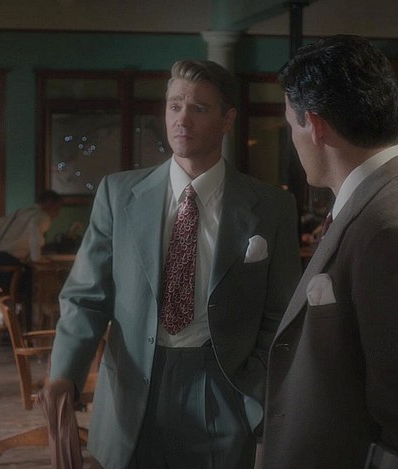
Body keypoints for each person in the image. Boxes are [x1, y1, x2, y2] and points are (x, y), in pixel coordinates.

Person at [42, 59, 301, 468]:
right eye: (174, 105)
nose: (182, 118)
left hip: (224, 387)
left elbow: (282, 313)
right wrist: (64, 372)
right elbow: (86, 296)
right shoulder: (118, 194)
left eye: (199, 108)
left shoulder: (272, 207)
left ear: (227, 120)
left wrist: (255, 382)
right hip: (134, 386)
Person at [264, 34, 398, 468]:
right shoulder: (385, 200)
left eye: (290, 126)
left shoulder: (397, 229)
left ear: (314, 125)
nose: (292, 140)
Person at [0, 189, 63, 324]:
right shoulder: (42, 217)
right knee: (34, 283)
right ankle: (26, 324)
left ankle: (12, 320)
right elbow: (34, 237)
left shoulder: (19, 212)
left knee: (22, 280)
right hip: (5, 268)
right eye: (57, 208)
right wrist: (37, 259)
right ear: (49, 204)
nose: (58, 213)